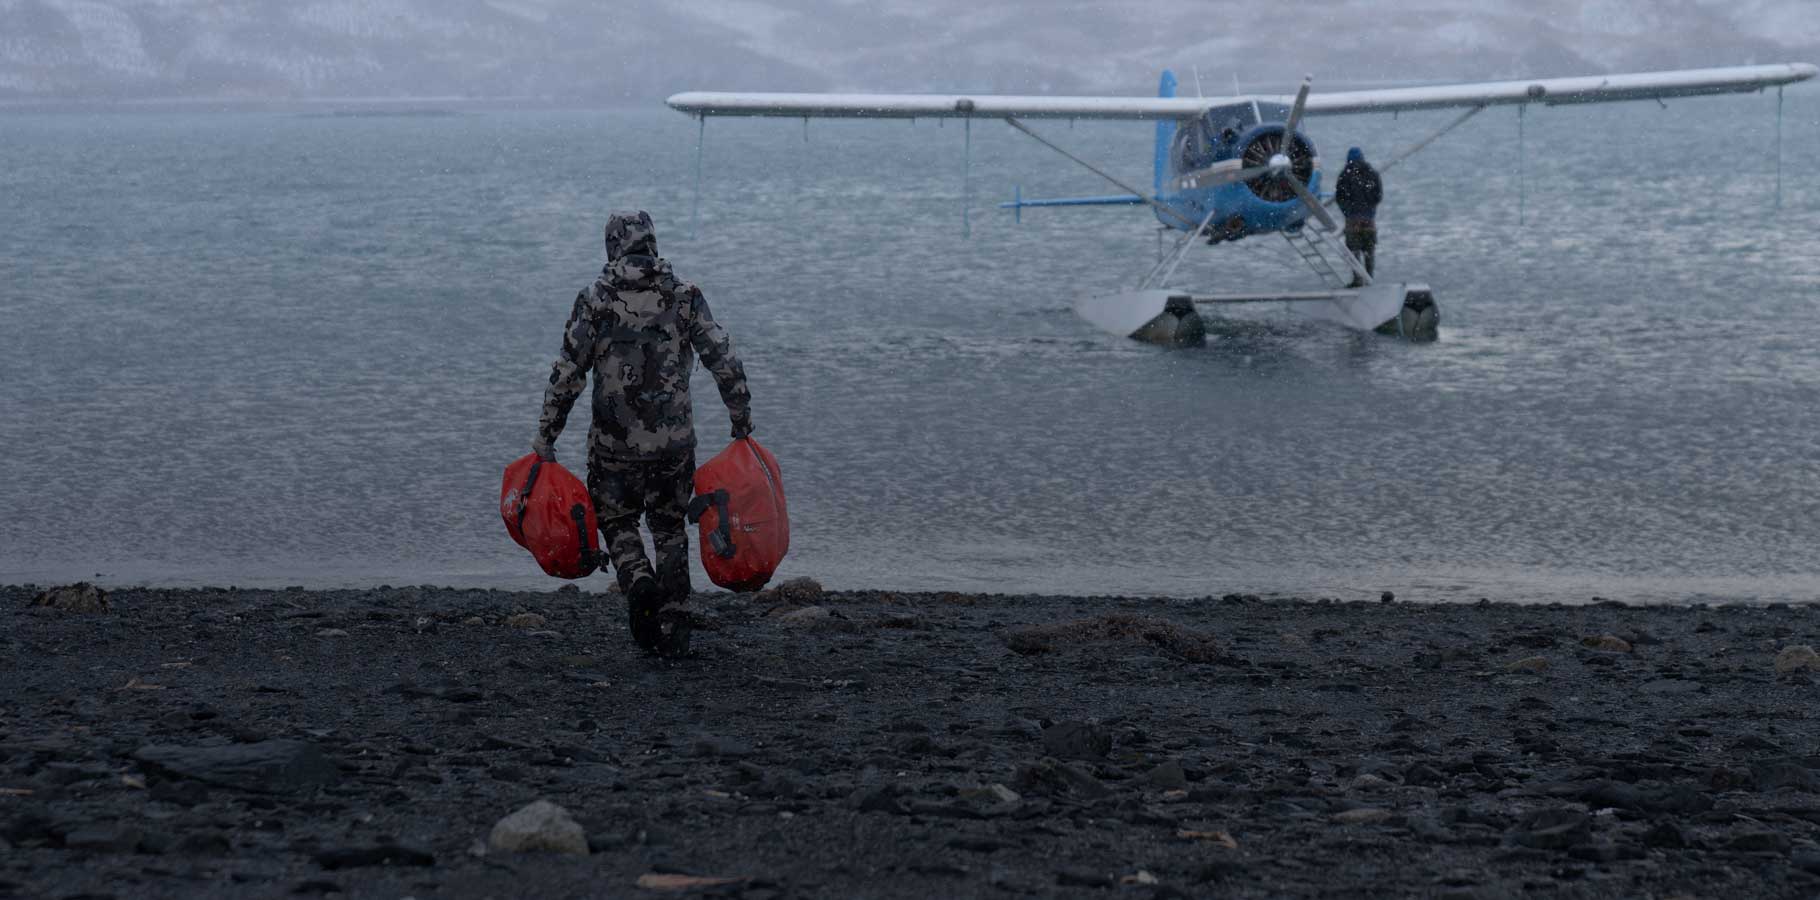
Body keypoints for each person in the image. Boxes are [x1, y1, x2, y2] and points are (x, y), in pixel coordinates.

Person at [532, 210, 753, 655]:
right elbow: (722, 357)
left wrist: (547, 434)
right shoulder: (684, 295)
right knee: (670, 526)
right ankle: (673, 618)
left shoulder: (595, 298)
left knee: (616, 520)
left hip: (613, 444)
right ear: (651, 244)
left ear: (612, 246)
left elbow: (568, 372)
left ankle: (637, 579)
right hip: (673, 443)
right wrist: (741, 418)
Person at [1333, 147, 1382, 288]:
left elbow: (1340, 197)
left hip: (1352, 219)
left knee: (1354, 250)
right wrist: (1369, 210)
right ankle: (1369, 279)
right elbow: (1378, 195)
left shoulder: (1345, 175)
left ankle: (1357, 279)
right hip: (1369, 219)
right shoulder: (1372, 173)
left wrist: (1348, 212)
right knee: (1369, 249)